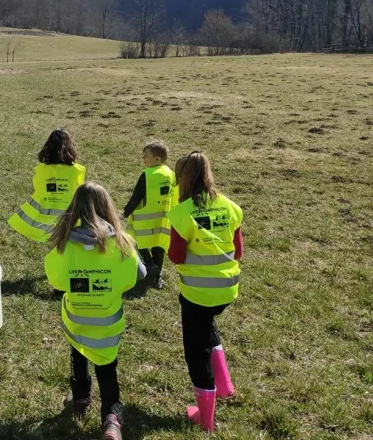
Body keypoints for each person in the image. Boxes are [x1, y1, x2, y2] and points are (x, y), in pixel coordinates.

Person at [45, 182, 146, 440]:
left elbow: (57, 281)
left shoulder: (64, 245)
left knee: (78, 357)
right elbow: (140, 274)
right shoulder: (122, 243)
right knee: (108, 371)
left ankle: (80, 401)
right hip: (108, 325)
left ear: (74, 210)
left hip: (77, 323)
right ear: (108, 208)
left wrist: (81, 283)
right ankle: (112, 422)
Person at [167, 151, 244, 433]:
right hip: (227, 288)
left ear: (182, 180)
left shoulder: (180, 213)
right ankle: (224, 386)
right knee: (207, 324)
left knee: (195, 351)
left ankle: (206, 419)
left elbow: (176, 256)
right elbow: (239, 250)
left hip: (198, 293)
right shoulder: (230, 206)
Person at [9, 129, 86, 242]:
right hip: (70, 217)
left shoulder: (41, 170)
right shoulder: (77, 171)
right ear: (70, 147)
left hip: (43, 216)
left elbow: (38, 188)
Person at [122, 141, 177, 289]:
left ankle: (149, 264)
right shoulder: (171, 174)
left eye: (146, 155)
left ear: (157, 159)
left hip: (144, 220)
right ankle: (157, 278)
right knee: (159, 246)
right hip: (164, 220)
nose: (143, 158)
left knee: (137, 242)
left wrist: (125, 213)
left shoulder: (147, 174)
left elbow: (137, 196)